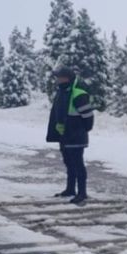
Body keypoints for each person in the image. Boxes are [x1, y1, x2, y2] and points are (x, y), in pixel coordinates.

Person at [46, 67, 94, 205]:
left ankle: (82, 192)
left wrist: (80, 129)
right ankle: (70, 189)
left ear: (68, 78)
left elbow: (88, 117)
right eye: (57, 77)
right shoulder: (62, 92)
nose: (58, 79)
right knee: (69, 163)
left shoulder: (78, 93)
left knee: (78, 164)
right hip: (64, 135)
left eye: (61, 77)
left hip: (76, 135)